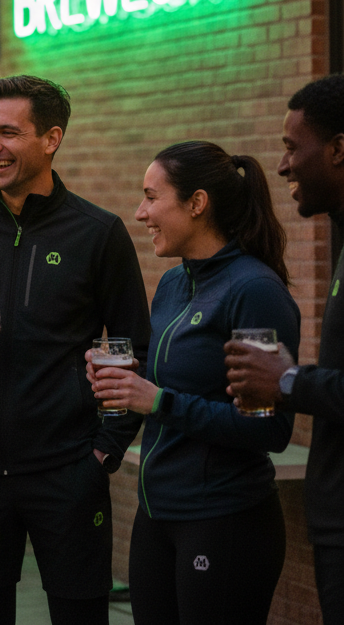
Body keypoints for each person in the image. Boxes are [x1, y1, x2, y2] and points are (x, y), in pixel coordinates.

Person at [0, 75, 151, 625]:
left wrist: (103, 451)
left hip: (66, 468)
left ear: (51, 139)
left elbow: (133, 346)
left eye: (8, 132)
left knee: (80, 612)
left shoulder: (98, 232)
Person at [91, 141, 300, 625]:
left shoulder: (254, 291)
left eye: (150, 196)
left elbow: (271, 429)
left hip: (223, 518)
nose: (140, 213)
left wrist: (158, 400)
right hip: (157, 512)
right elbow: (173, 382)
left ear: (197, 203)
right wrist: (127, 381)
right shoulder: (172, 284)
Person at [225, 74, 344, 623]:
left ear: (339, 149)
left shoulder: (254, 289)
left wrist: (290, 381)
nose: (282, 166)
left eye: (293, 147)